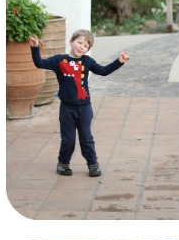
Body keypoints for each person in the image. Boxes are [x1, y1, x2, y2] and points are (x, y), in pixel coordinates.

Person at [28, 29, 129, 177]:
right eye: (79, 42)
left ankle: (93, 164)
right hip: (67, 109)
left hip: (85, 107)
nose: (82, 46)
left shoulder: (87, 61)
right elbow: (39, 63)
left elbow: (104, 71)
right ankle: (63, 163)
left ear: (88, 50)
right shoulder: (59, 60)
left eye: (86, 45)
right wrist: (35, 48)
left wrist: (119, 61)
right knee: (68, 140)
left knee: (86, 138)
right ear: (71, 42)